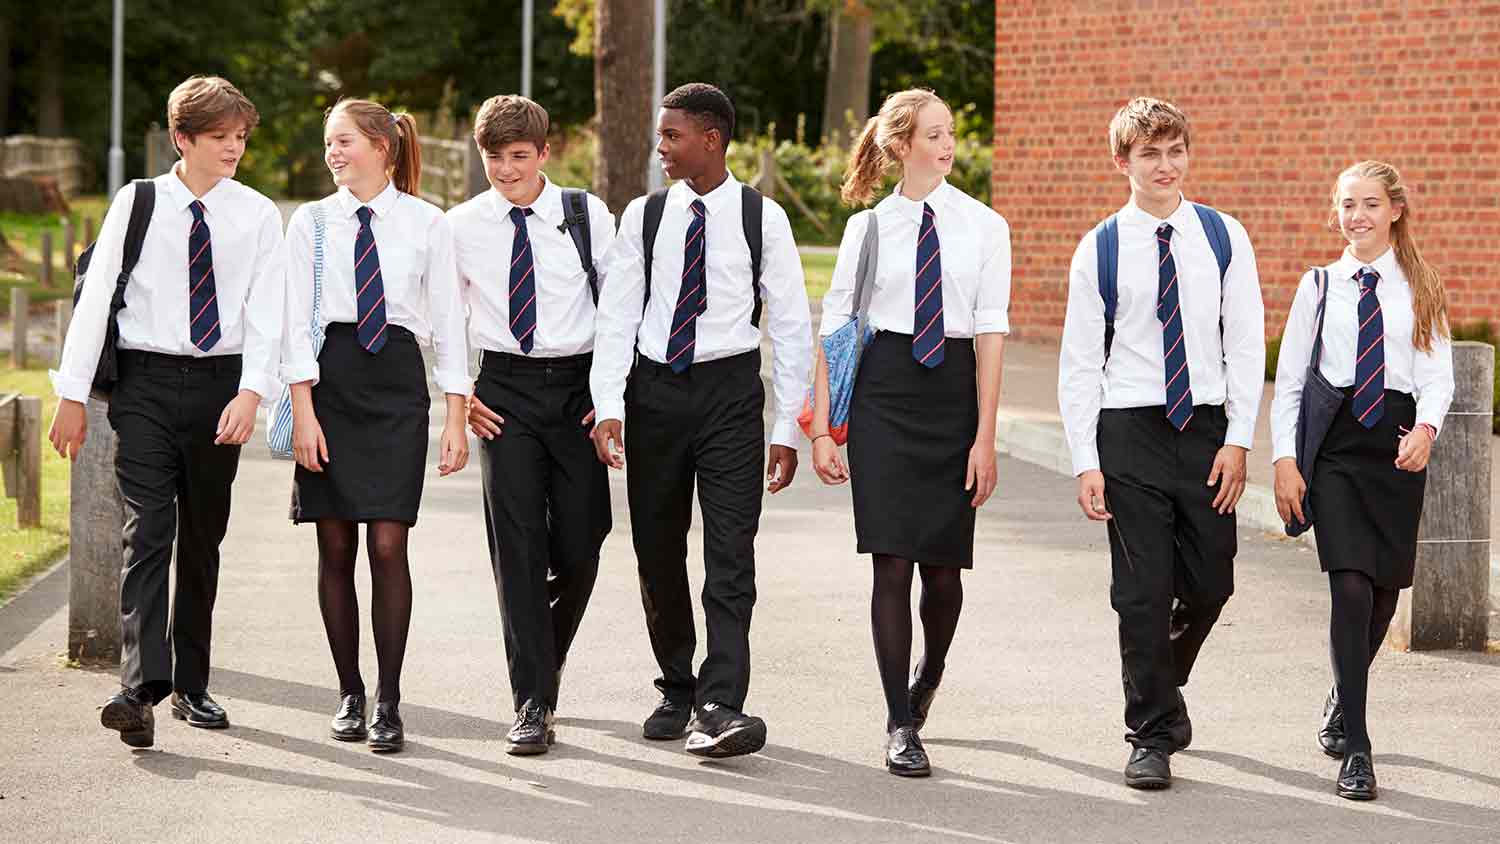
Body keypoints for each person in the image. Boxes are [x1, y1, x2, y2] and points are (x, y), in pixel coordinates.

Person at [49, 76, 285, 748]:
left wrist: (251, 392)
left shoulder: (259, 215)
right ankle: (140, 690)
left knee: (203, 539)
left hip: (221, 389)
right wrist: (71, 395)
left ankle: (193, 686)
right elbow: (96, 299)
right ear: (183, 139)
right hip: (146, 386)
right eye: (220, 138)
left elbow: (268, 311)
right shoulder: (140, 201)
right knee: (148, 530)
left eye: (241, 136)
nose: (234, 148)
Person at [588, 82, 812, 758]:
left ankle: (721, 702)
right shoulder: (645, 216)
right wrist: (610, 406)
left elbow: (794, 326)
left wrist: (787, 430)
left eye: (672, 136)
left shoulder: (761, 217)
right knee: (657, 551)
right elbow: (617, 316)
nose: (661, 148)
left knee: (729, 552)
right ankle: (678, 685)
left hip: (730, 397)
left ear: (710, 139)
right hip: (655, 393)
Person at [1057, 96, 1265, 789]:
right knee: (1141, 592)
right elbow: (1081, 363)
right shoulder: (1102, 246)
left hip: (1205, 431)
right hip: (1130, 431)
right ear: (1124, 162)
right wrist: (1086, 460)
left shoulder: (1223, 236)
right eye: (1150, 154)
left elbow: (1243, 343)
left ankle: (1161, 680)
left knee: (1212, 580)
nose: (1166, 165)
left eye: (1176, 151)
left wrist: (1239, 440)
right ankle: (1149, 733)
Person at [808, 88, 1009, 777]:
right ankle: (899, 720)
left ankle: (932, 672)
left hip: (952, 392)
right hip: (884, 394)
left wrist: (986, 436)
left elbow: (989, 334)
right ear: (900, 147)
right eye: (933, 134)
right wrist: (824, 430)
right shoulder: (867, 228)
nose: (948, 145)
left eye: (950, 132)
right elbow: (836, 326)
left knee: (943, 570)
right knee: (890, 560)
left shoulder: (985, 225)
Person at [282, 99, 470, 754]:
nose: (333, 152)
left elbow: (449, 324)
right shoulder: (311, 223)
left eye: (343, 142)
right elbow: (291, 324)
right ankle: (348, 694)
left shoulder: (427, 224)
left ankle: (389, 700)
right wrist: (303, 411)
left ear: (381, 148)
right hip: (328, 386)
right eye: (328, 142)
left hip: (395, 386)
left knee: (389, 545)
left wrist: (456, 418)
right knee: (334, 548)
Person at [1270, 160, 1453, 801]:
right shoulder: (1319, 285)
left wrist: (1427, 430)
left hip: (1397, 447)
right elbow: (1291, 380)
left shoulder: (1422, 285)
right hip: (1339, 451)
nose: (1358, 216)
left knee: (1381, 595)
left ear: (1394, 210)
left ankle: (1340, 698)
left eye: (1370, 204)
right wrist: (1284, 460)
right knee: (1348, 586)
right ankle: (1359, 746)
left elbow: (1438, 375)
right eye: (1347, 204)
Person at [449, 94, 615, 755]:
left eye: (520, 157)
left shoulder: (585, 215)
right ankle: (531, 701)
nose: (508, 170)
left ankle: (543, 658)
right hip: (504, 394)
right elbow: (448, 318)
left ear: (545, 154)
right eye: (495, 158)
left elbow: (618, 307)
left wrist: (607, 397)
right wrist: (461, 399)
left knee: (582, 540)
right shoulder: (461, 226)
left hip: (577, 388)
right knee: (515, 550)